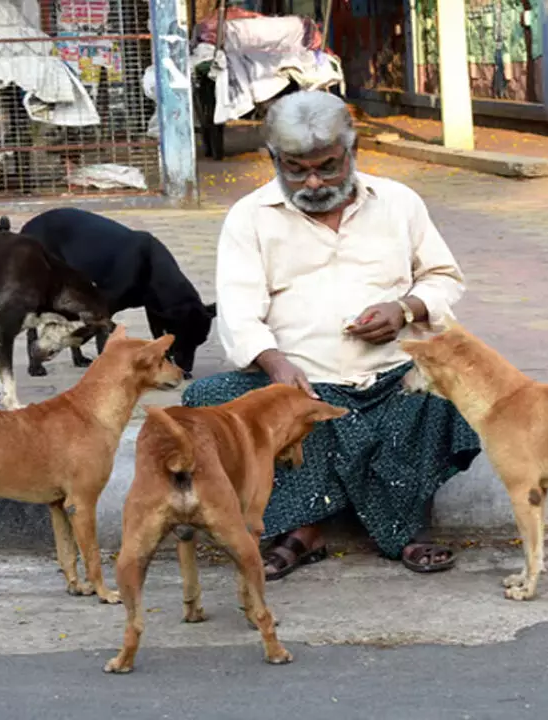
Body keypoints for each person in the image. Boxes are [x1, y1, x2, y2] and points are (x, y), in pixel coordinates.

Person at [182, 90, 481, 580]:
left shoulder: (399, 203)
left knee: (450, 394)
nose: (315, 182)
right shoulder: (250, 217)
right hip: (297, 386)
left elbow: (444, 279)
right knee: (205, 400)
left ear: (353, 149)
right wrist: (276, 365)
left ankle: (370, 525)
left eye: (328, 166)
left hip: (392, 378)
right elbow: (238, 315)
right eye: (297, 169)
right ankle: (318, 526)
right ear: (273, 158)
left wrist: (405, 308)